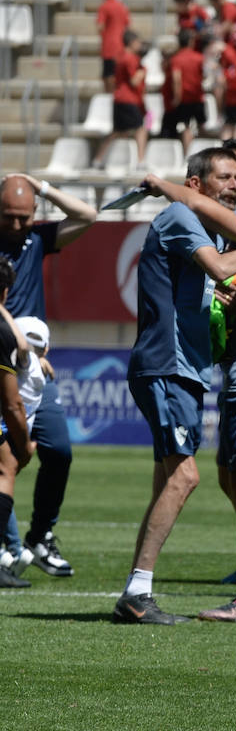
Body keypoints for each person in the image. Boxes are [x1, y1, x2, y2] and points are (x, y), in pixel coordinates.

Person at [115, 147, 236, 625]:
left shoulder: (196, 220)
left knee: (166, 477)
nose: (234, 186)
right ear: (195, 184)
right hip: (166, 365)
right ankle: (137, 590)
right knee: (186, 476)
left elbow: (206, 279)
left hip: (182, 367)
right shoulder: (180, 214)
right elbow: (216, 266)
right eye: (224, 178)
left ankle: (138, 589)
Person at [0, 173, 98, 579]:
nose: (18, 225)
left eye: (25, 216)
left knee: (57, 451)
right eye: (9, 217)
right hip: (10, 354)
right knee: (7, 461)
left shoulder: (37, 238)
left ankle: (39, 537)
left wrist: (39, 185)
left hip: (34, 365)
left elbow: (88, 215)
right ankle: (7, 551)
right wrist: (17, 336)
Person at [0, 260, 35, 589]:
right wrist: (24, 445)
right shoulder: (1, 332)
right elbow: (12, 403)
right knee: (7, 465)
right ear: (7, 291)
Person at [92, 30, 149, 172]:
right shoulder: (130, 58)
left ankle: (98, 159)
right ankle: (141, 160)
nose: (139, 45)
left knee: (117, 131)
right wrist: (143, 71)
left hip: (119, 98)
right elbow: (134, 81)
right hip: (128, 99)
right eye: (137, 42)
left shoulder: (120, 57)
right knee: (141, 129)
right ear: (131, 43)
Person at [161, 29, 206, 154]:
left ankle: (188, 154)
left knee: (186, 127)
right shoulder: (199, 57)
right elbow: (205, 75)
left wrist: (176, 98)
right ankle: (204, 153)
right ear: (191, 42)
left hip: (184, 99)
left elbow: (176, 79)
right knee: (201, 127)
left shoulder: (176, 59)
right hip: (197, 97)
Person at [96, 0, 130, 95]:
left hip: (109, 46)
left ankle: (111, 97)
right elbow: (127, 24)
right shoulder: (122, 6)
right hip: (121, 45)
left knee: (108, 74)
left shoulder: (104, 7)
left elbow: (100, 26)